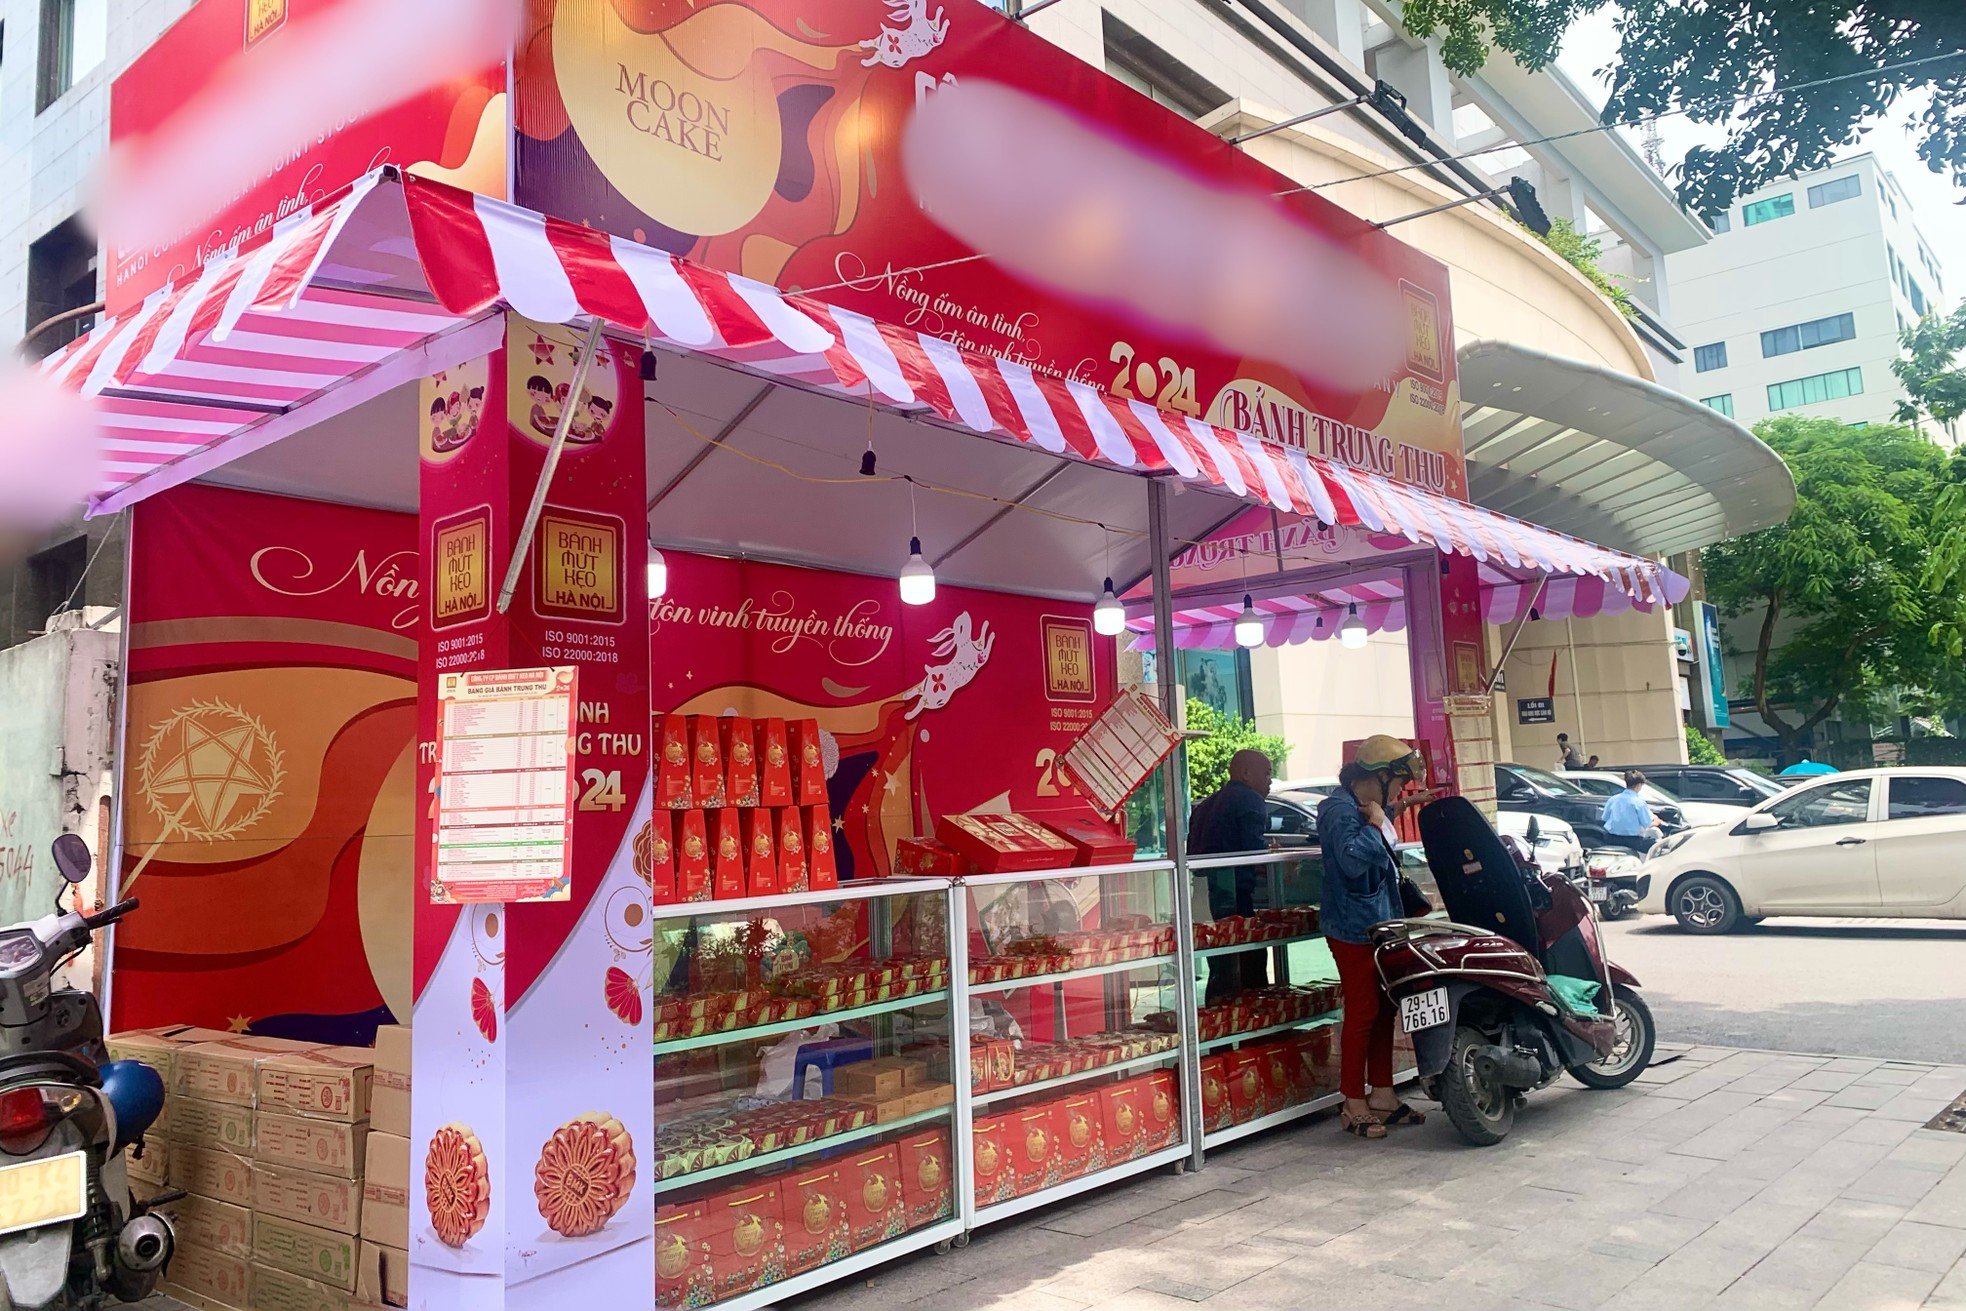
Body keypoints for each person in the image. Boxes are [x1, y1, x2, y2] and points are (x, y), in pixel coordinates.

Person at [1316, 734, 1428, 1139]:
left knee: (1384, 1009)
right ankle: (1352, 1101)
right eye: (1398, 784)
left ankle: (1382, 1093)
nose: (1399, 791)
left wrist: (1395, 810)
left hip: (1378, 924)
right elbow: (1348, 859)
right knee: (1363, 1011)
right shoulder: (1337, 811)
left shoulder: (1363, 807)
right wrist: (1380, 823)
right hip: (1352, 928)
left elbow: (1378, 820)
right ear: (1380, 776)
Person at [1187, 749, 1273, 1004]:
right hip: (1235, 897)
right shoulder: (1250, 800)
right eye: (1267, 773)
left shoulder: (1205, 806)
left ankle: (1220, 1033)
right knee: (1251, 965)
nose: (1270, 780)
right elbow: (1254, 854)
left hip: (1204, 899)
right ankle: (1256, 1031)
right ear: (1246, 774)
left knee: (1221, 969)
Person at [1600, 769, 1662, 855]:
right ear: (1639, 785)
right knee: (1660, 847)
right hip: (1633, 841)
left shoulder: (1613, 799)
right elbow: (1647, 824)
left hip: (1611, 838)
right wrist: (1656, 822)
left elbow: (1604, 818)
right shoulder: (1639, 802)